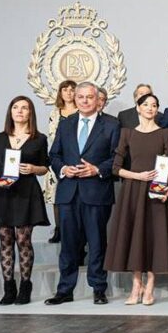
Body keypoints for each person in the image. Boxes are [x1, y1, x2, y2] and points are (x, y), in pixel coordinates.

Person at [46, 82, 121, 305]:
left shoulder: (111, 124)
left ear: (98, 100)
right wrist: (63, 168)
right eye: (81, 97)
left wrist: (97, 169)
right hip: (69, 191)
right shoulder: (66, 123)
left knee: (97, 242)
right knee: (68, 244)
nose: (85, 101)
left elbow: (117, 157)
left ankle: (99, 288)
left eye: (90, 97)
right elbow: (54, 154)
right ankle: (65, 290)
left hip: (96, 191)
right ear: (75, 99)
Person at [104, 93, 168, 306]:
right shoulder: (127, 133)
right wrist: (137, 176)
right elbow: (116, 168)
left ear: (157, 110)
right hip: (133, 191)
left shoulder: (166, 133)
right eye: (146, 104)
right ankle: (136, 284)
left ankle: (150, 287)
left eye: (154, 105)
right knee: (135, 237)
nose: (150, 107)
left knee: (154, 237)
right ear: (137, 108)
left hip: (157, 191)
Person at [0, 96, 49, 305]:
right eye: (15, 107)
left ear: (30, 113)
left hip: (27, 192)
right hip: (3, 192)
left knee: (23, 240)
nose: (19, 111)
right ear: (10, 112)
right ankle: (8, 288)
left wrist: (33, 169)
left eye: (24, 108)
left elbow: (45, 166)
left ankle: (25, 286)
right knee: (6, 240)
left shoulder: (39, 138)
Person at [44, 78, 78, 243]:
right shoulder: (55, 113)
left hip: (75, 158)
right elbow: (52, 136)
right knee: (55, 196)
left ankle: (74, 230)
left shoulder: (81, 111)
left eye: (72, 90)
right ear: (60, 93)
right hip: (58, 159)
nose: (69, 93)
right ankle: (58, 228)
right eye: (65, 90)